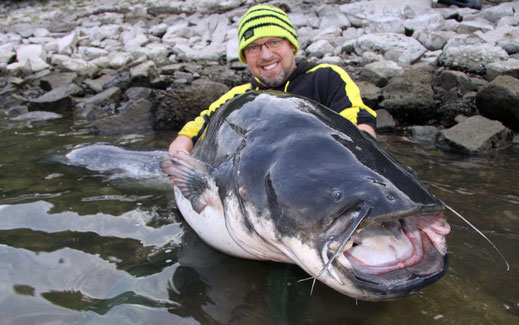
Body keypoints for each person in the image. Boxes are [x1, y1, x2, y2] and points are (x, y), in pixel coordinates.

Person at [168, 4, 377, 156]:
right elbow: (191, 133)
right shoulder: (239, 98)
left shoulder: (327, 77)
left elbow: (359, 124)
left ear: (291, 45)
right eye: (254, 47)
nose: (266, 55)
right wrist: (181, 161)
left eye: (274, 42)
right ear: (244, 57)